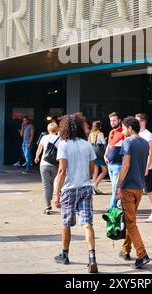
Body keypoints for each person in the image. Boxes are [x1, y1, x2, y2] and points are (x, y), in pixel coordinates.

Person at [53, 113, 98, 273]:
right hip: (85, 187)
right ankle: (92, 257)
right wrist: (87, 177)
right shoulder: (87, 145)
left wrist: (57, 193)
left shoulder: (64, 145)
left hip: (69, 189)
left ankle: (64, 255)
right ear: (80, 127)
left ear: (65, 128)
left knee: (66, 223)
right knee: (87, 223)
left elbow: (62, 170)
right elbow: (92, 167)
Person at [116, 116, 150, 269]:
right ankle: (125, 249)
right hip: (139, 188)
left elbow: (126, 164)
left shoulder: (128, 141)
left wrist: (118, 185)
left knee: (130, 222)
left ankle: (142, 254)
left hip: (128, 187)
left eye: (123, 128)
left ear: (130, 128)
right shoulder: (144, 143)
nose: (123, 131)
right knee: (131, 222)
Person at [135, 113, 152, 222]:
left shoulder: (148, 135)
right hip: (137, 166)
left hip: (145, 167)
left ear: (143, 121)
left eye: (138, 120)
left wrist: (147, 166)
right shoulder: (136, 134)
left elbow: (151, 153)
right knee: (136, 189)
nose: (136, 123)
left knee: (149, 189)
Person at [34, 122, 59, 214]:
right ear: (57, 129)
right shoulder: (59, 139)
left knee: (46, 185)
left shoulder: (44, 138)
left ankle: (48, 206)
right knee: (52, 182)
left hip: (44, 164)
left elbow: (39, 149)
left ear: (48, 129)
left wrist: (37, 157)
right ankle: (52, 196)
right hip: (55, 165)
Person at [104, 112, 124, 209]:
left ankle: (112, 206)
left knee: (115, 187)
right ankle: (118, 203)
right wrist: (105, 155)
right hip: (110, 164)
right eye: (111, 120)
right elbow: (109, 145)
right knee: (114, 187)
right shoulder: (111, 132)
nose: (112, 122)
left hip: (118, 164)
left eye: (114, 120)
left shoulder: (123, 132)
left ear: (119, 120)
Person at [88, 121, 107, 195]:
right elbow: (103, 143)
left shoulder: (90, 134)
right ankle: (95, 185)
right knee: (104, 171)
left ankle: (93, 188)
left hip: (93, 153)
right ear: (99, 126)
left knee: (95, 170)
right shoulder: (100, 133)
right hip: (99, 154)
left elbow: (88, 143)